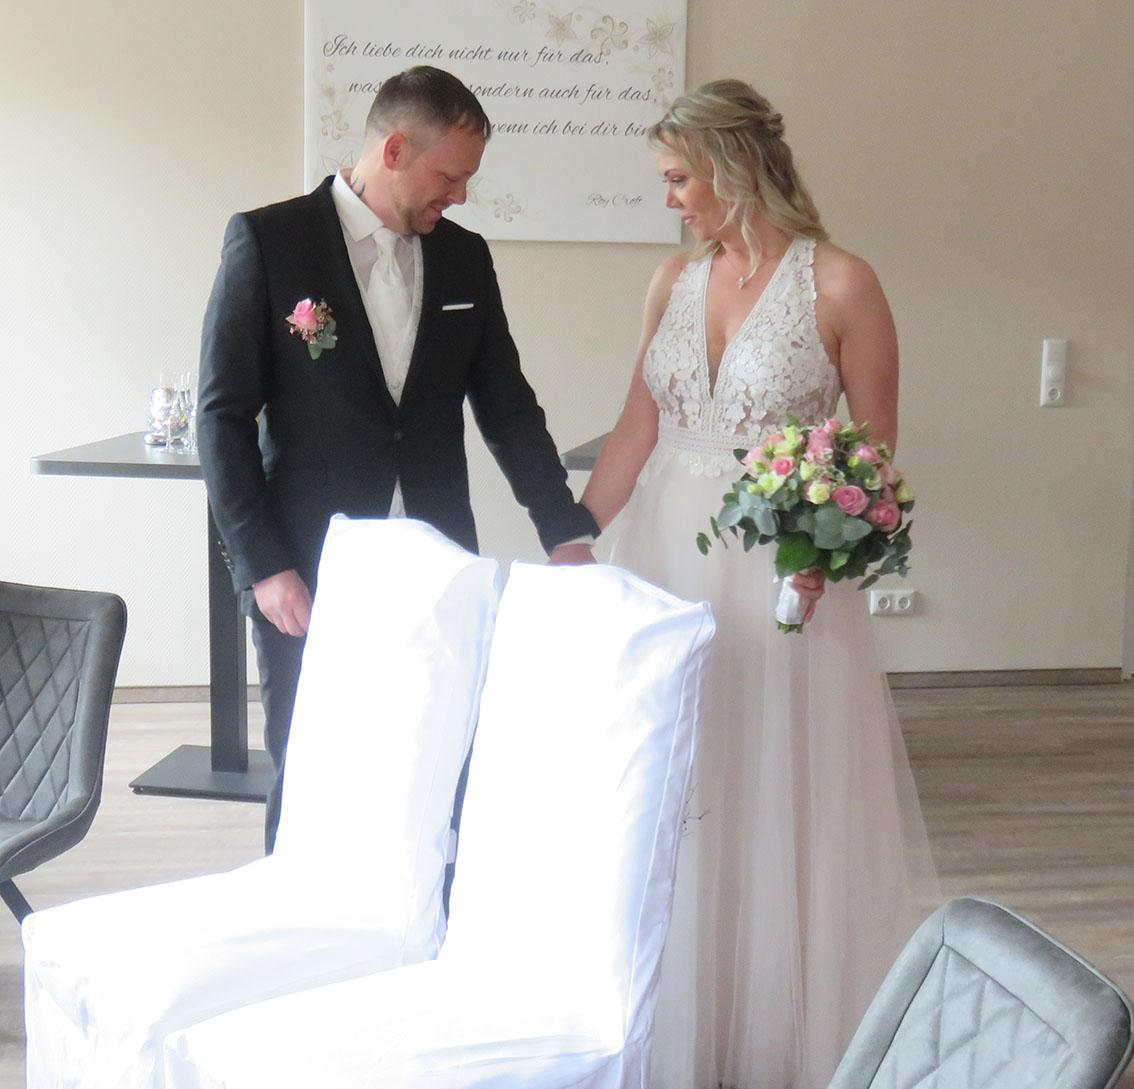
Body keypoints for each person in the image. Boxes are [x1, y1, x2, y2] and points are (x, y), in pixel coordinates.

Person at [580, 80, 937, 1089]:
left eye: (678, 177)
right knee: (674, 779)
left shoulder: (844, 284)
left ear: (732, 167)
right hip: (664, 558)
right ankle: (670, 1015)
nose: (669, 199)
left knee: (773, 780)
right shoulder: (671, 280)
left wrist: (819, 557)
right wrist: (570, 546)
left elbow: (874, 456)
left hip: (783, 574)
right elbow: (637, 428)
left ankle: (779, 1027)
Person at [197, 66, 597, 853]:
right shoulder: (269, 240)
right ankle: (304, 914)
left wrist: (564, 529)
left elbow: (508, 407)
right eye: (450, 176)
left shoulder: (466, 259)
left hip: (436, 558)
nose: (461, 195)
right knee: (312, 770)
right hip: (308, 564)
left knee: (438, 763)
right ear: (394, 149)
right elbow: (222, 417)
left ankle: (430, 916)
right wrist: (265, 564)